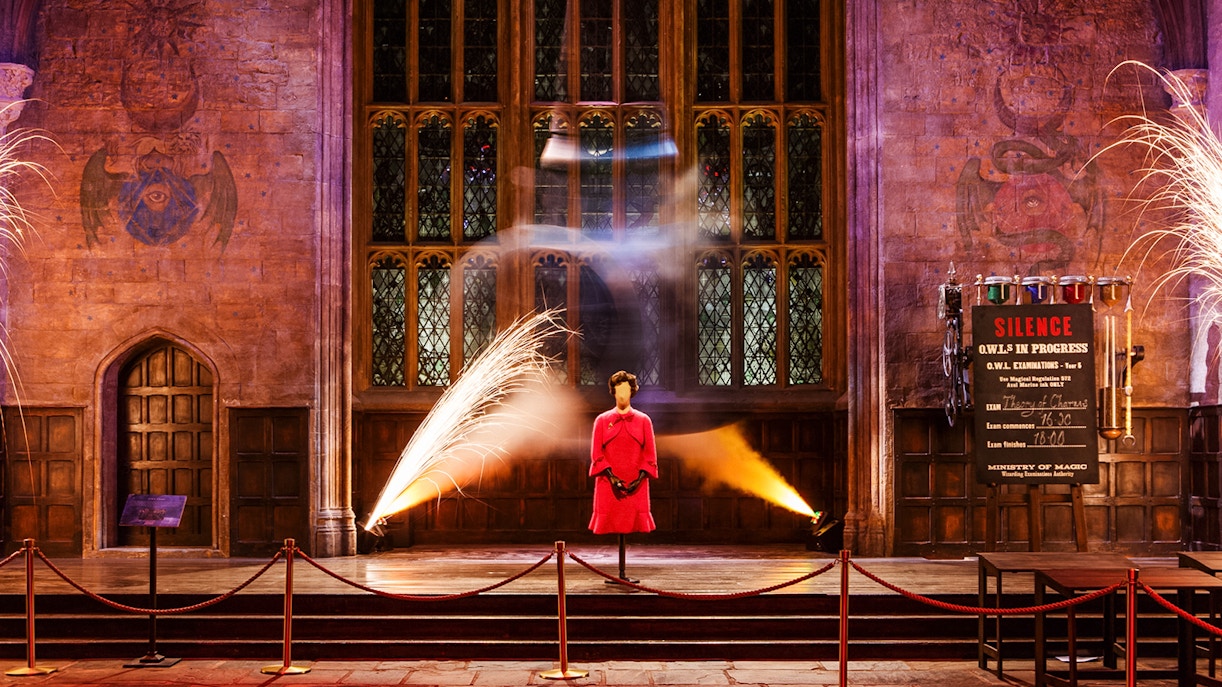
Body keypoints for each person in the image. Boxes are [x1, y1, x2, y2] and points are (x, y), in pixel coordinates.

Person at [588, 370, 657, 536]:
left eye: (626, 389)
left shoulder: (644, 420)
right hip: (608, 484)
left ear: (632, 392)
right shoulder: (602, 420)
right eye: (618, 389)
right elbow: (596, 454)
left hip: (636, 484)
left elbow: (650, 455)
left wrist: (639, 480)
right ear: (613, 391)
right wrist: (612, 478)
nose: (622, 394)